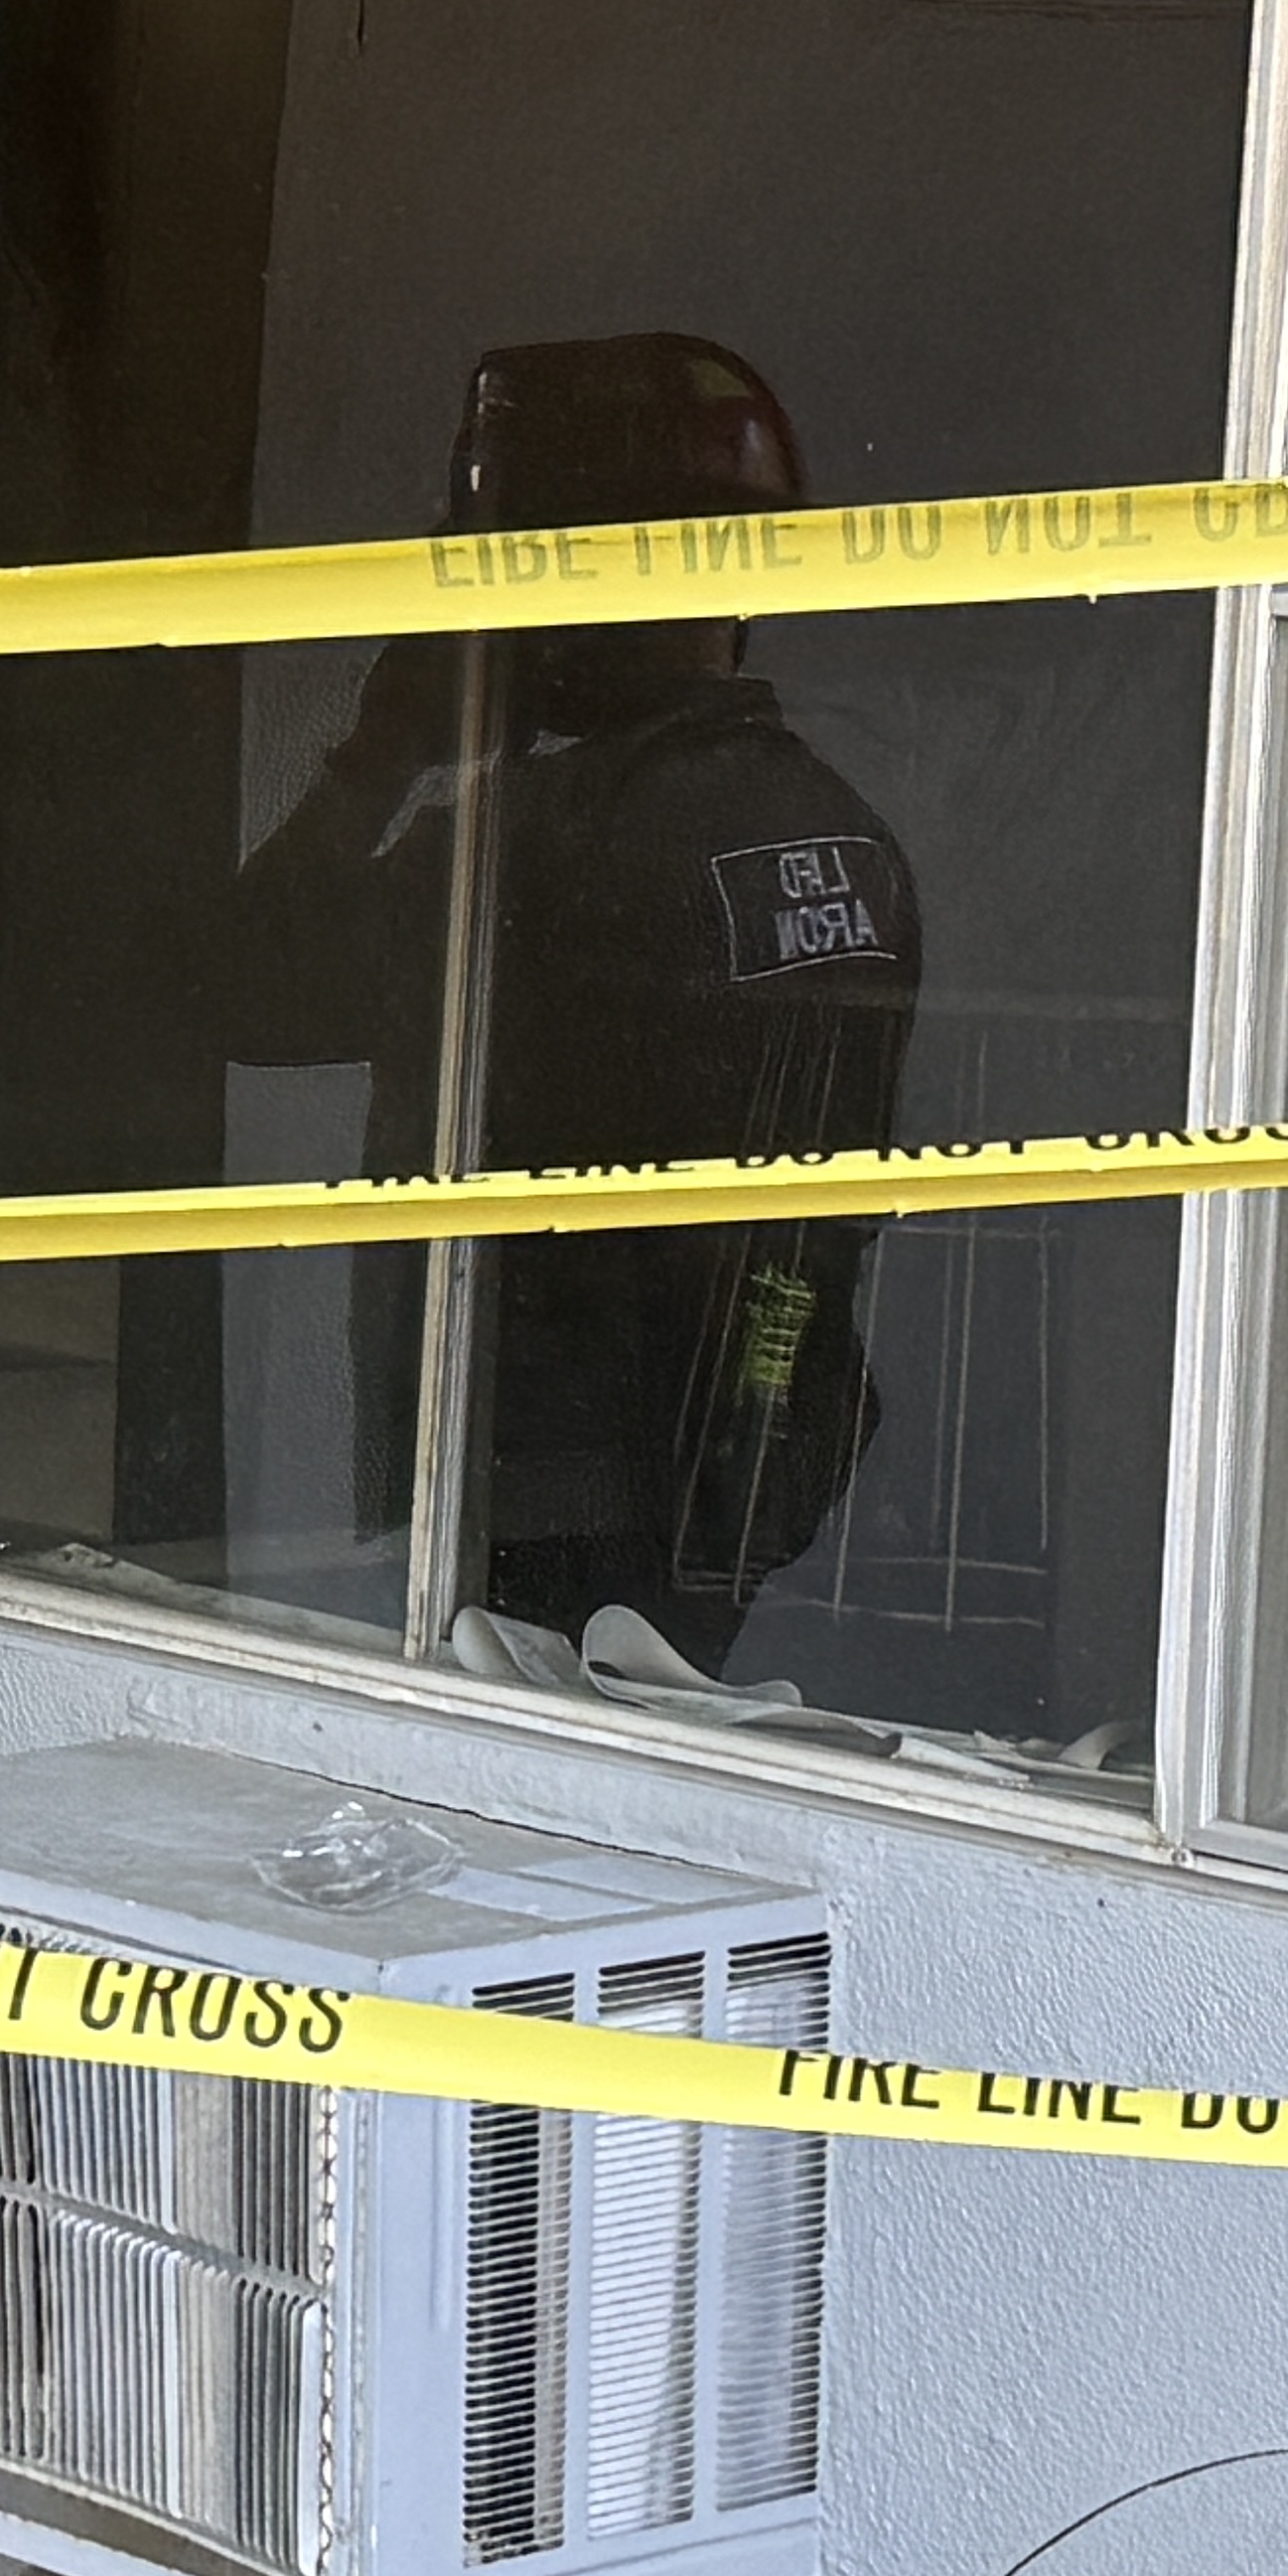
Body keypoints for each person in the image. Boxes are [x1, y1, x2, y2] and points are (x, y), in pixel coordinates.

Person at [221, 332, 923, 1677]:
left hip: (542, 1503)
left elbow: (242, 988)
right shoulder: (840, 841)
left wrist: (385, 749)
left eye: (503, 571)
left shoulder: (540, 849)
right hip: (752, 1475)